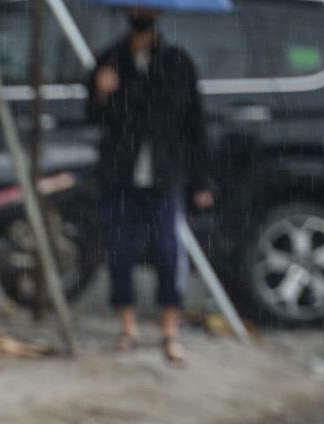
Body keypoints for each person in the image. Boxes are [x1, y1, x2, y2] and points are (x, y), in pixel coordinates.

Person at [87, 6, 215, 366]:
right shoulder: (110, 60)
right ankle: (128, 327)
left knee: (167, 249)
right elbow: (92, 116)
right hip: (120, 174)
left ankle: (169, 330)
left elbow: (195, 124)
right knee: (120, 250)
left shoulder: (176, 62)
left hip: (164, 174)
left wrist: (202, 179)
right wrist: (102, 92)